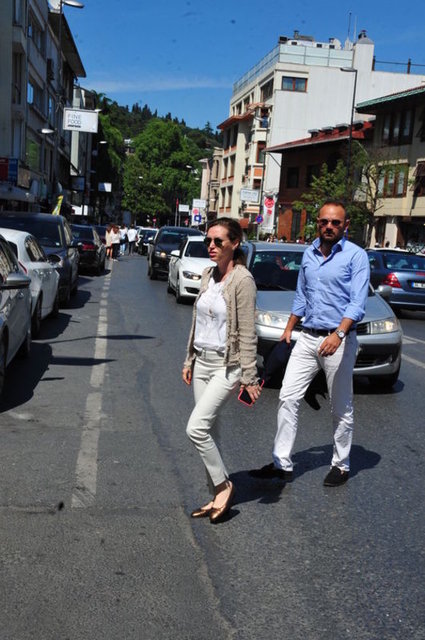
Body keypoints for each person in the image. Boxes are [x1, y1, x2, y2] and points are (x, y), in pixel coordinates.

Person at [250, 200, 370, 487]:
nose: (329, 227)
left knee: (340, 406)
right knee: (287, 397)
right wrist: (288, 328)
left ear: (345, 226)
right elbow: (302, 295)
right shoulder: (309, 253)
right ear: (318, 223)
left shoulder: (356, 256)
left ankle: (341, 465)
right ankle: (282, 463)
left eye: (335, 223)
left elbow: (357, 302)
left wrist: (339, 334)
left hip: (338, 340)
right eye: (324, 221)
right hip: (307, 337)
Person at [182, 217, 262, 523]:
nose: (211, 246)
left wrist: (249, 377)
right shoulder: (208, 275)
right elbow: (198, 322)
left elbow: (248, 332)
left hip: (227, 366)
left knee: (195, 428)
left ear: (235, 243)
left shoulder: (243, 281)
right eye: (208, 241)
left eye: (218, 241)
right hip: (202, 361)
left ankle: (223, 486)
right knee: (210, 431)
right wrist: (189, 359)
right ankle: (215, 495)